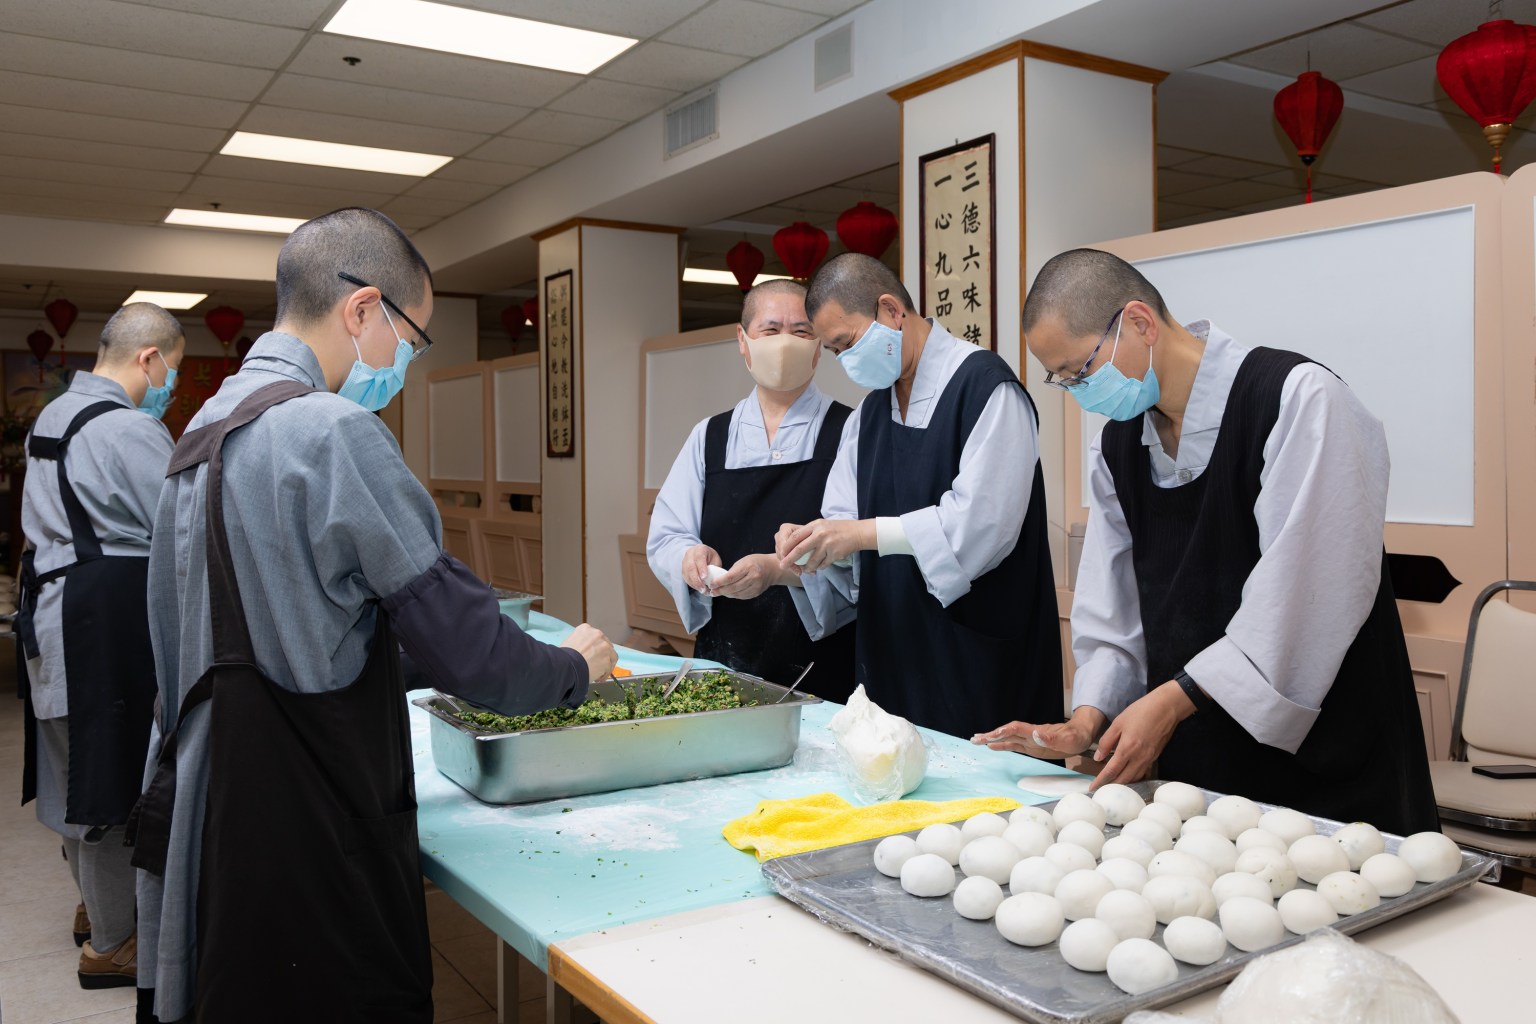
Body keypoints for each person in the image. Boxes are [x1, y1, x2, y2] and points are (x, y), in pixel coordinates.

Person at [130, 208, 617, 1024]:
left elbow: (300, 624)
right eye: (412, 339)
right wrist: (571, 666)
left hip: (208, 808)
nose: (405, 367)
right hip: (311, 824)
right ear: (362, 310)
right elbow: (477, 659)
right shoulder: (332, 432)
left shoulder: (198, 434)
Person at [974, 247, 1438, 836]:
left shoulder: (1296, 401)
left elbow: (1302, 604)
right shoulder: (1117, 446)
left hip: (1330, 756)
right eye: (1060, 380)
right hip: (1201, 757)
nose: (1077, 392)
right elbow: (1112, 608)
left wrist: (1170, 701)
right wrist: (1086, 718)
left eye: (1080, 372)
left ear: (1139, 324)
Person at [776, 253, 1062, 739]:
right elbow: (843, 521)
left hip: (980, 658)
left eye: (847, 344)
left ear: (891, 311)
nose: (846, 363)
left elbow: (980, 528)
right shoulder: (869, 415)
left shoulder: (986, 388)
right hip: (892, 653)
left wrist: (863, 533)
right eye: (835, 352)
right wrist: (814, 545)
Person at [15, 302, 183, 991]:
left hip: (51, 611)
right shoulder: (129, 430)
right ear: (149, 359)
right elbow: (181, 528)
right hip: (102, 618)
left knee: (70, 770)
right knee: (112, 784)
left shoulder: (51, 417)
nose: (169, 383)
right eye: (171, 368)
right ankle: (114, 945)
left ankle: (94, 909)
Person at [647, 279, 855, 699]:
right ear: (743, 341)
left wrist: (778, 571)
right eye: (770, 329)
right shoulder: (710, 436)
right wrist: (690, 558)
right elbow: (667, 534)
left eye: (800, 331)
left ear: (818, 347)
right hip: (725, 657)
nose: (785, 343)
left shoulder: (851, 430)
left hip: (825, 661)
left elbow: (859, 553)